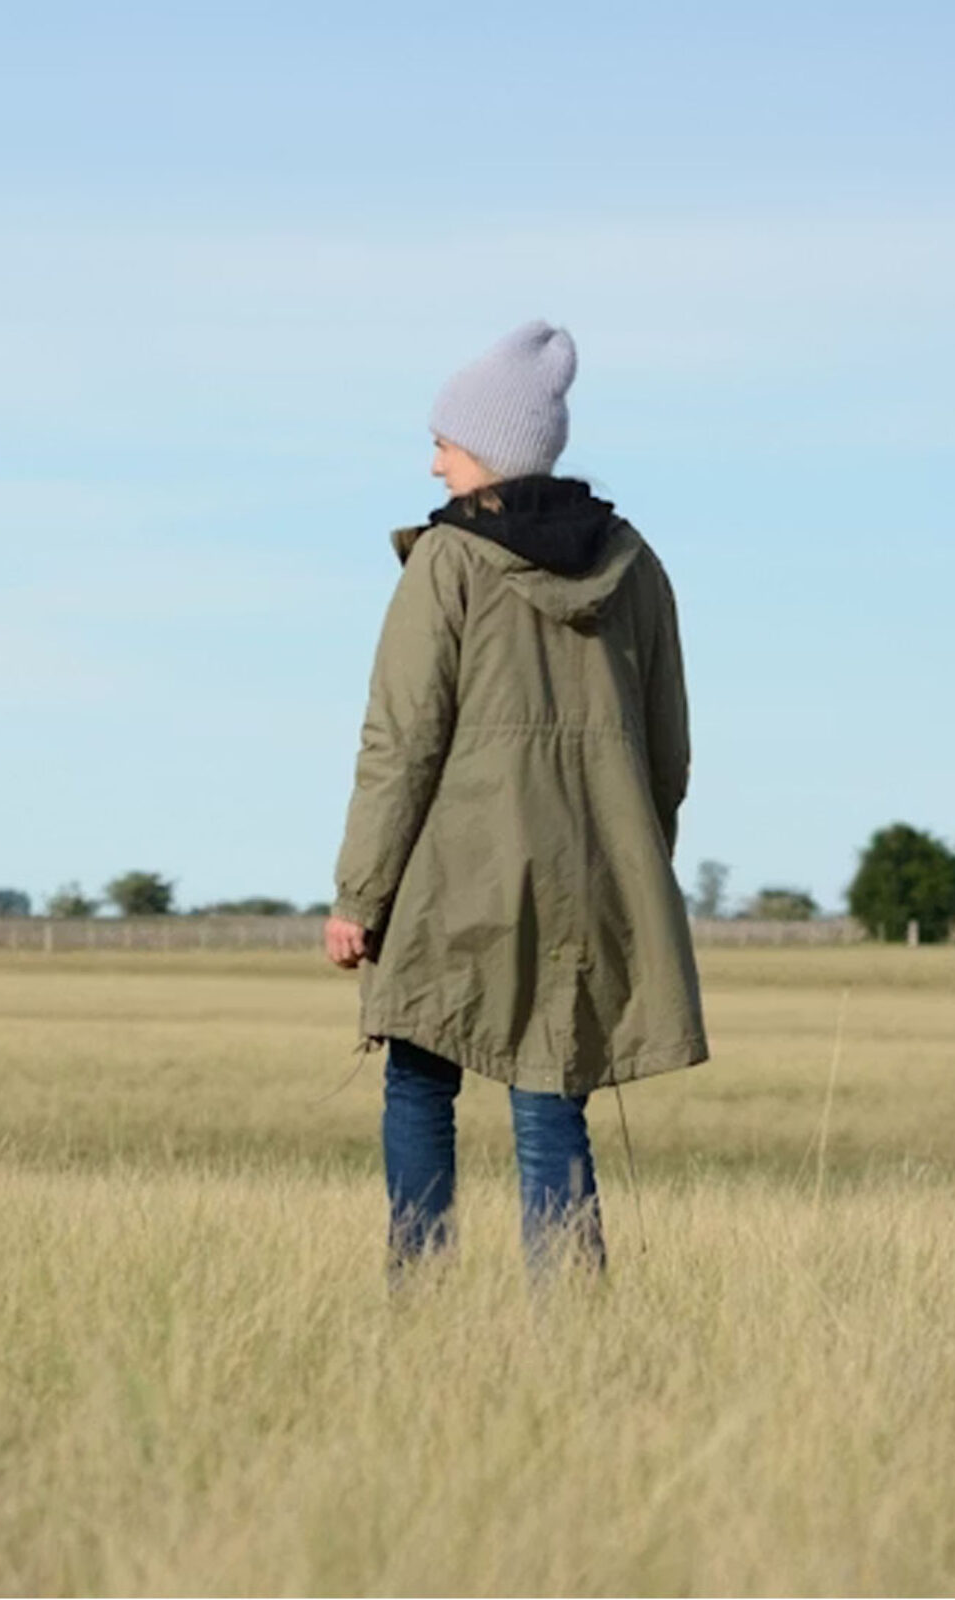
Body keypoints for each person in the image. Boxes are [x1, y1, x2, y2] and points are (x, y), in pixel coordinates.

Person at [326, 319, 707, 1281]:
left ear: (490, 449)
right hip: (591, 880)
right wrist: (635, 861)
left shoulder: (447, 562)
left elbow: (399, 741)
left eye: (445, 444)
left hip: (451, 878)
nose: (432, 465)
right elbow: (670, 746)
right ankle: (570, 1317)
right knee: (553, 1091)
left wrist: (357, 896)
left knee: (419, 1078)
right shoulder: (637, 565)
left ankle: (418, 1292)